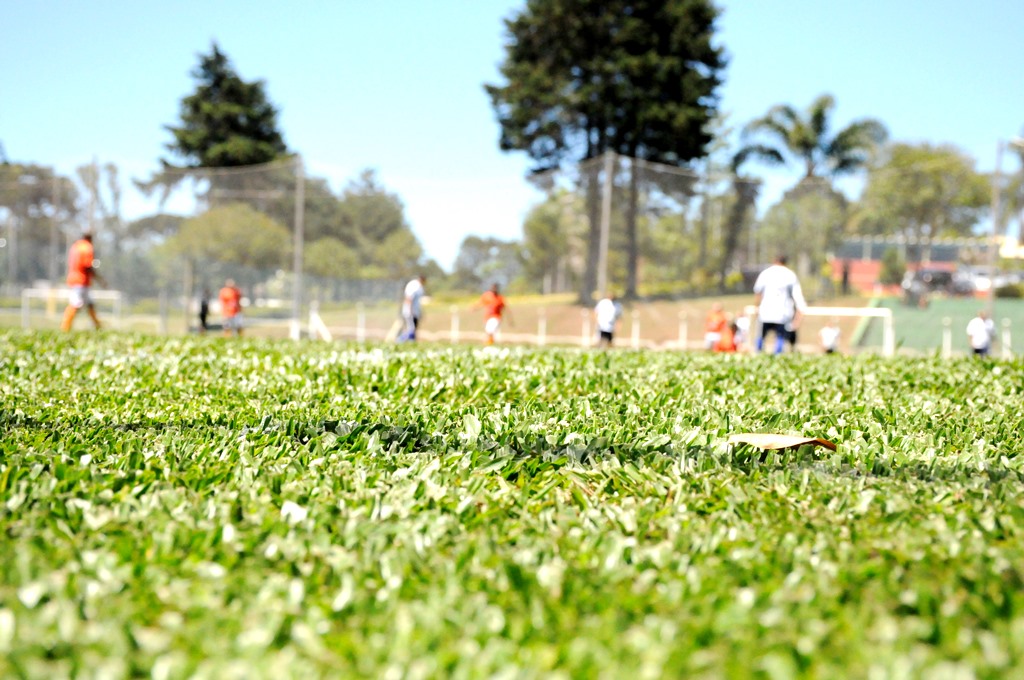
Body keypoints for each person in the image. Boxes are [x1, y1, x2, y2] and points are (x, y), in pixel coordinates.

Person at [753, 254, 807, 354]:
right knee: (780, 337)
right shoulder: (790, 275)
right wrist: (799, 315)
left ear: (774, 260)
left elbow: (758, 292)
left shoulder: (766, 273)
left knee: (761, 336)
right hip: (782, 313)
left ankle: (758, 354)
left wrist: (757, 308)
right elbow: (798, 297)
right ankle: (777, 356)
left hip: (765, 312)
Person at [61, 232, 106, 332]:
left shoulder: (75, 246)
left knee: (90, 304)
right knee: (75, 304)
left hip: (75, 278)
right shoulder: (87, 248)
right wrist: (99, 279)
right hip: (81, 280)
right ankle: (65, 328)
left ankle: (98, 327)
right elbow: (87, 265)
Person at [400, 275, 426, 342]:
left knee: (413, 329)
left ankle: (411, 342)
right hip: (410, 311)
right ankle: (400, 340)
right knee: (411, 329)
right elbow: (409, 298)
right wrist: (410, 310)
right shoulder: (414, 285)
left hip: (414, 311)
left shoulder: (420, 287)